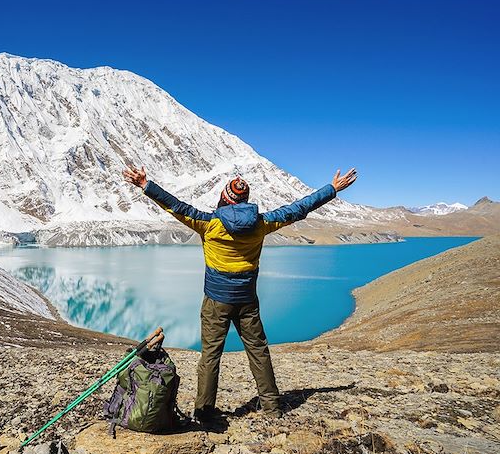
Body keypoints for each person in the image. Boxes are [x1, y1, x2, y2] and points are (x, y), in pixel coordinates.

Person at [122, 165, 358, 421]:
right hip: (247, 300)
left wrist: (146, 185)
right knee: (258, 350)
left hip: (216, 301)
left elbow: (176, 206)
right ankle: (272, 407)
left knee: (210, 356)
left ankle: (205, 412)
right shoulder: (261, 224)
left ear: (224, 198)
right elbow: (298, 209)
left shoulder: (208, 224)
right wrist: (331, 189)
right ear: (246, 202)